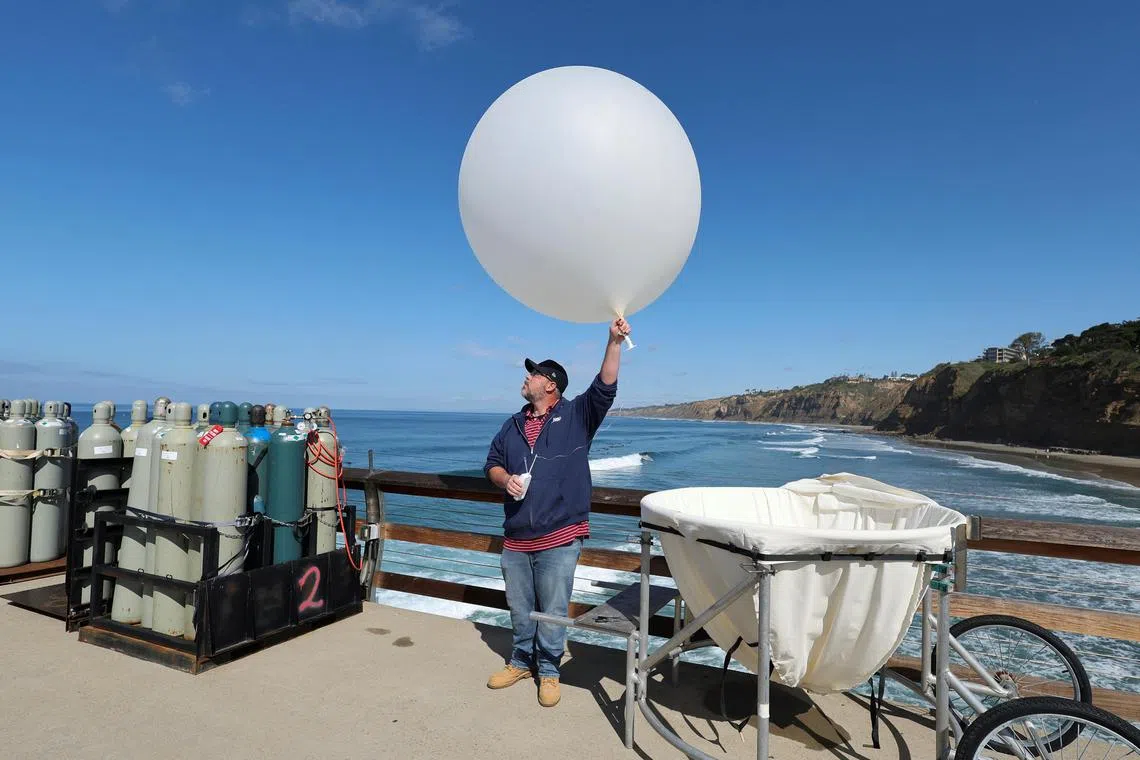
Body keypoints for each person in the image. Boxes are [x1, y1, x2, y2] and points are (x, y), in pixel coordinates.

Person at [483, 317, 632, 707]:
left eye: (533, 374)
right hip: (516, 535)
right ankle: (520, 661)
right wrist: (505, 480)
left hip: (561, 534)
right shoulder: (513, 424)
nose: (526, 377)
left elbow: (605, 388)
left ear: (550, 384)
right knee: (519, 606)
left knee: (551, 608)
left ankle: (549, 670)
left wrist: (613, 342)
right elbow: (492, 463)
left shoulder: (577, 416)